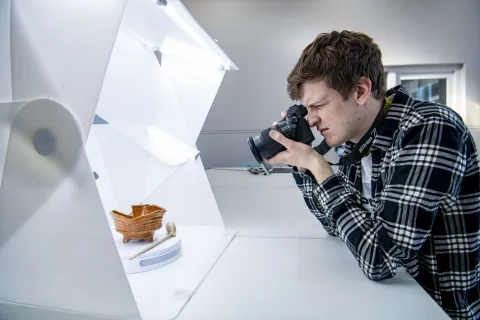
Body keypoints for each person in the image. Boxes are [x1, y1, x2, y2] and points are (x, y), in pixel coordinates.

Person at [266, 30, 480, 319]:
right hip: (393, 301)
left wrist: (320, 168)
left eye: (318, 105)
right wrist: (304, 165)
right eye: (307, 110)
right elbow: (336, 227)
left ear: (360, 91)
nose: (312, 120)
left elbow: (382, 260)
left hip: (439, 309)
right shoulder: (358, 140)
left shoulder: (430, 128)